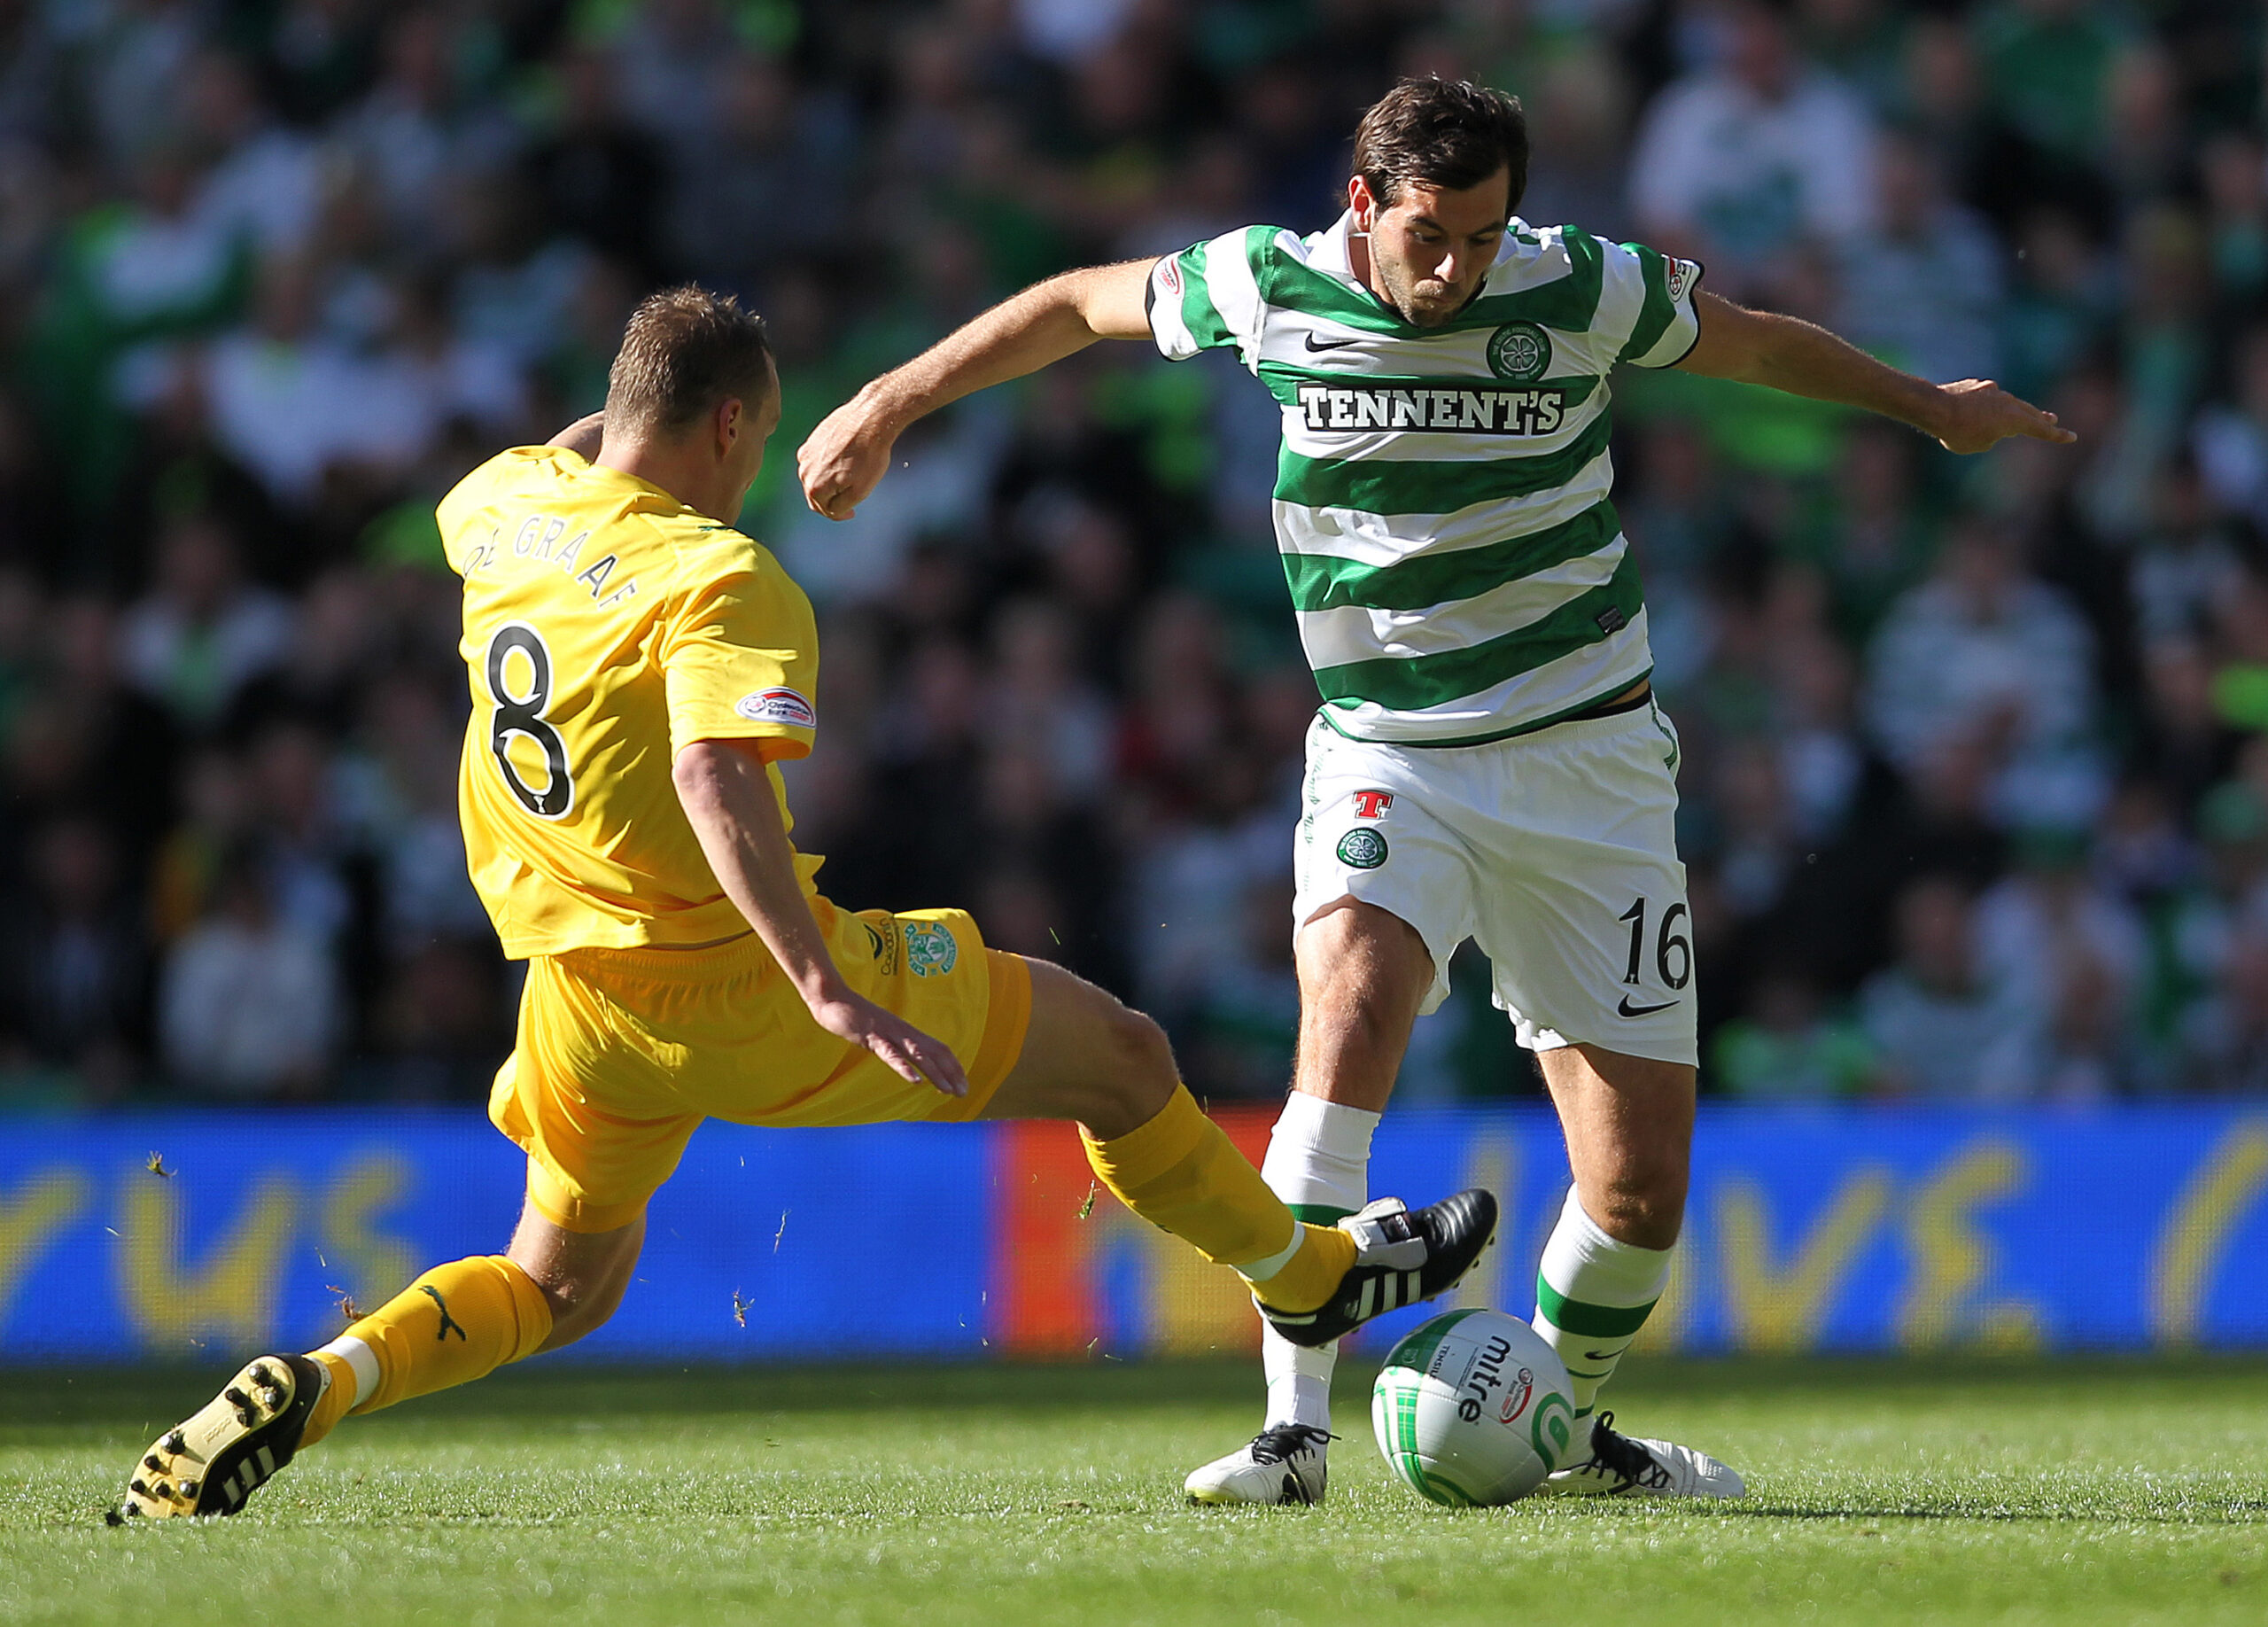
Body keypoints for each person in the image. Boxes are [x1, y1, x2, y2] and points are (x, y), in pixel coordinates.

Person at [799, 75, 2074, 1506]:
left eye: (1483, 237)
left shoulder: (1579, 286)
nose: (1458, 268)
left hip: (1589, 763)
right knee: (1344, 1031)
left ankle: (1570, 1427)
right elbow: (1075, 303)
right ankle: (1294, 1436)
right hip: (1389, 753)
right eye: (1431, 238)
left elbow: (1756, 348)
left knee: (1641, 1190)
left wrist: (1923, 406)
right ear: (1364, 202)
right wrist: (888, 398)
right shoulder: (1263, 284)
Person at [113, 287, 1494, 1522]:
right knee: (1124, 1059)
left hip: (579, 1001)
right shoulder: (724, 583)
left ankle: (321, 1377)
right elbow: (712, 771)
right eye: (758, 441)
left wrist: (655, 388)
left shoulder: (500, 507)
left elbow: (595, 439)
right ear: (726, 426)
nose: (758, 470)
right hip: (745, 983)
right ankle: (1304, 1275)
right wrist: (827, 984)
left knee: (554, 1287)